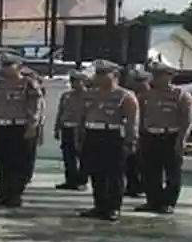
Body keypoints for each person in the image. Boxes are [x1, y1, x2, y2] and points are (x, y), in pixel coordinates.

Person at [77, 60, 139, 221]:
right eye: (98, 73)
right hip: (92, 134)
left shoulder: (125, 96)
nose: (99, 77)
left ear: (115, 75)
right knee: (96, 173)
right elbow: (82, 116)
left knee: (114, 174)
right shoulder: (90, 94)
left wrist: (131, 140)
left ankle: (113, 207)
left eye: (104, 73)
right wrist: (80, 135)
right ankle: (99, 205)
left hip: (112, 135)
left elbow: (132, 120)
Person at [0, 53, 42, 209]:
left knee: (19, 163)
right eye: (3, 65)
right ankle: (4, 193)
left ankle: (15, 195)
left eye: (9, 65)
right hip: (0, 127)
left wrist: (32, 126)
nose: (5, 68)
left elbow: (35, 108)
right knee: (2, 162)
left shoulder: (28, 84)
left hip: (20, 127)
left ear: (19, 66)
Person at [135, 61, 192, 214]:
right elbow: (140, 118)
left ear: (170, 76)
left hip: (170, 136)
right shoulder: (145, 96)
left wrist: (181, 139)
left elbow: (186, 120)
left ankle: (168, 202)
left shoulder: (180, 95)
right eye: (155, 75)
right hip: (150, 135)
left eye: (161, 75)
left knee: (172, 172)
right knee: (150, 171)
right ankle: (153, 200)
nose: (156, 78)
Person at [54, 70, 90, 190]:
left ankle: (82, 181)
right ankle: (70, 180)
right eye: (72, 81)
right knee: (68, 156)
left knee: (83, 155)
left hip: (81, 129)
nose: (73, 83)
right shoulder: (66, 95)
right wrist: (57, 127)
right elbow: (61, 112)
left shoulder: (89, 96)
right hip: (67, 127)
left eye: (76, 81)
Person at [123, 67, 151, 198]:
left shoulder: (152, 96)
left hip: (148, 133)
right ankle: (133, 186)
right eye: (137, 81)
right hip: (135, 133)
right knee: (131, 161)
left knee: (145, 163)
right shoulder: (132, 96)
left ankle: (144, 186)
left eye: (142, 81)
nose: (139, 84)